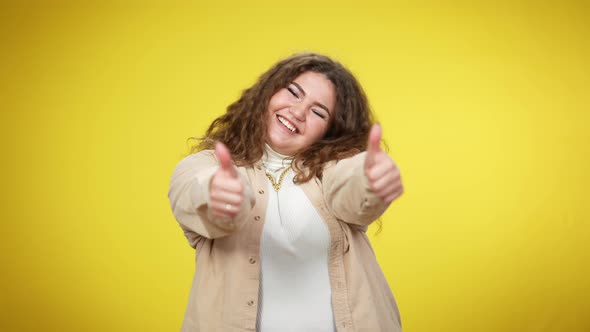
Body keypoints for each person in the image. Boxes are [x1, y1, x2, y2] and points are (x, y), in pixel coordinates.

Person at [168, 52, 404, 332]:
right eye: (293, 92)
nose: (298, 111)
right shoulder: (204, 166)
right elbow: (192, 193)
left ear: (330, 131)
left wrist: (369, 177)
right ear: (267, 92)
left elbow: (352, 191)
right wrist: (216, 194)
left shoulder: (330, 171)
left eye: (318, 112)